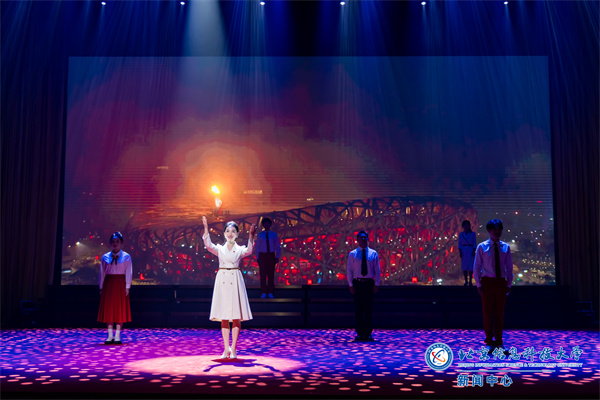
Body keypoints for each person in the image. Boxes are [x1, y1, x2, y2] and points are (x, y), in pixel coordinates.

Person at [202, 216, 256, 359]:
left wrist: (251, 235)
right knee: (224, 317)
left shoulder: (240, 249)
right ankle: (226, 349)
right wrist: (206, 227)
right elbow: (208, 245)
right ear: (224, 233)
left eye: (233, 231)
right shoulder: (220, 249)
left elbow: (250, 250)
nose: (230, 234)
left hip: (235, 279)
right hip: (223, 280)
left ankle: (234, 348)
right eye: (227, 231)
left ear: (237, 234)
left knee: (236, 316)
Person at [473, 219, 514, 355]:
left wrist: (509, 284)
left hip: (501, 282)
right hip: (487, 282)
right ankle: (489, 342)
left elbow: (509, 267)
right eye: (494, 229)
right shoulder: (482, 247)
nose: (497, 232)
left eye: (499, 229)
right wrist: (479, 285)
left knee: (499, 314)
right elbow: (476, 267)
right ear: (489, 231)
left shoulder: (505, 247)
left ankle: (500, 342)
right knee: (487, 313)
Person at [98, 232, 132, 345]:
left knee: (119, 309)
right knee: (109, 309)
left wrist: (127, 286)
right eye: (113, 241)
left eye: (117, 241)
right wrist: (101, 286)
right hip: (109, 284)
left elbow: (129, 272)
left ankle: (117, 335)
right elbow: (102, 273)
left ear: (121, 242)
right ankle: (109, 336)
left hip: (120, 284)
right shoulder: (105, 256)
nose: (115, 243)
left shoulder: (126, 256)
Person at [347, 230, 381, 342]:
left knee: (368, 310)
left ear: (367, 239)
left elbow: (377, 270)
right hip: (357, 284)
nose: (363, 239)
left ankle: (368, 333)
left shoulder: (373, 253)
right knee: (359, 309)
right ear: (357, 240)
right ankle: (359, 333)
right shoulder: (352, 254)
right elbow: (349, 271)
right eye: (361, 238)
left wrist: (376, 284)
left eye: (365, 238)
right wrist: (351, 285)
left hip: (368, 284)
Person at [254, 217, 281, 298]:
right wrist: (258, 257)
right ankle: (263, 292)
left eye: (268, 223)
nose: (266, 225)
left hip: (271, 255)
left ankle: (270, 292)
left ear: (270, 225)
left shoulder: (274, 235)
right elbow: (257, 247)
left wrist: (277, 256)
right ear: (263, 225)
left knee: (271, 274)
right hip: (262, 255)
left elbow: (278, 246)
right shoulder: (260, 235)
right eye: (265, 223)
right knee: (262, 274)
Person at [458, 220, 476, 286]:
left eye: (467, 225)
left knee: (470, 266)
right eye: (465, 225)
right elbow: (459, 243)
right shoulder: (461, 234)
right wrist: (460, 251)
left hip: (470, 249)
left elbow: (474, 243)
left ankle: (470, 280)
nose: (466, 226)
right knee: (464, 266)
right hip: (464, 250)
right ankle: (466, 281)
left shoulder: (472, 234)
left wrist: (474, 251)